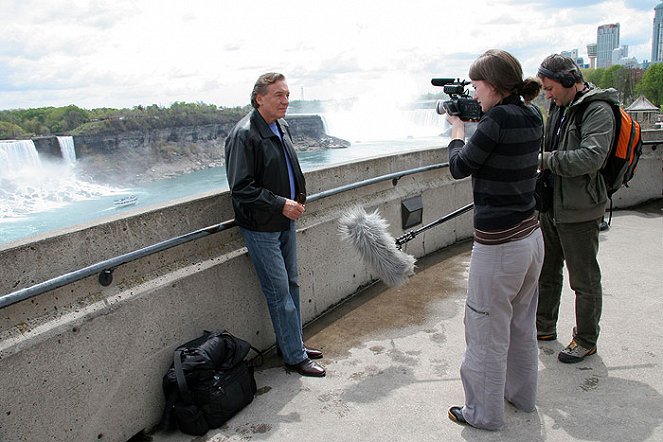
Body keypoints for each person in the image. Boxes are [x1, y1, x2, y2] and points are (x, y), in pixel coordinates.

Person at [444, 49, 545, 430]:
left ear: (494, 85)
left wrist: (457, 129)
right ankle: (521, 395)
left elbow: (459, 166)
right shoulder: (531, 113)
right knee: (521, 323)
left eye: (476, 84)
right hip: (531, 238)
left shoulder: (495, 120)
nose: (473, 91)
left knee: (485, 330)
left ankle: (482, 414)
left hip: (500, 247)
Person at [224, 72, 325, 377]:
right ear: (259, 98)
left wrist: (297, 199)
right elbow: (241, 187)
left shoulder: (280, 125)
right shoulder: (244, 134)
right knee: (279, 291)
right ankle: (294, 358)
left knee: (292, 284)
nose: (286, 101)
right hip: (262, 227)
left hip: (284, 221)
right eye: (279, 95)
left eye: (288, 95)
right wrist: (282, 203)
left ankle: (293, 344)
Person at [535, 54, 617, 363]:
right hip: (552, 206)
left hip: (580, 209)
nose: (548, 94)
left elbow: (590, 158)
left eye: (551, 87)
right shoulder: (558, 107)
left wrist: (544, 160)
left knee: (583, 280)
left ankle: (585, 340)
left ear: (570, 81)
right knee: (547, 271)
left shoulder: (597, 110)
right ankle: (543, 327)